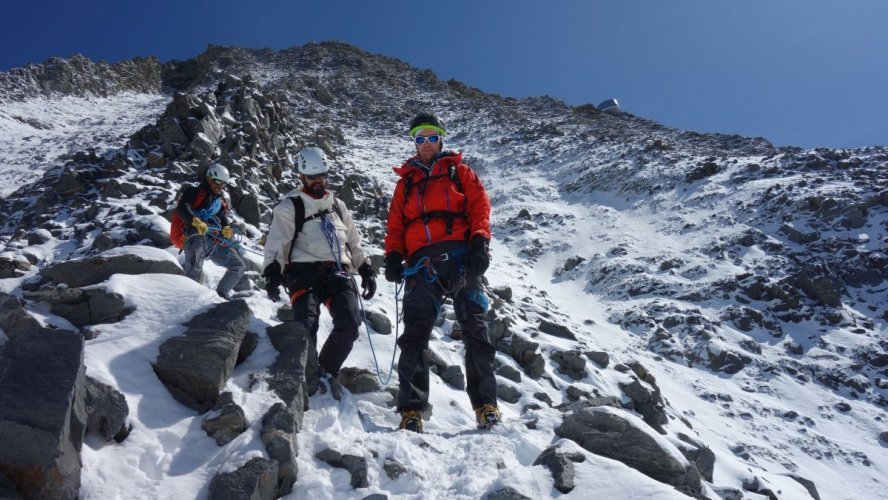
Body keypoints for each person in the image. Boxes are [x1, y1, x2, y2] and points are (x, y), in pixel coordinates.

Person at [383, 113, 500, 433]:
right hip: (421, 267)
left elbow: (479, 208)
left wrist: (479, 242)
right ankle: (411, 410)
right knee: (414, 336)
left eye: (431, 136)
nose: (425, 144)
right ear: (414, 143)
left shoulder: (459, 172)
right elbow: (396, 225)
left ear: (441, 139)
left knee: (475, 329)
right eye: (419, 138)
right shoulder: (404, 184)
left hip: (462, 258)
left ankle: (486, 405)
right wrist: (393, 255)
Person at [262, 147, 377, 380]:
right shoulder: (289, 207)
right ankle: (306, 374)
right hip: (303, 272)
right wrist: (273, 273)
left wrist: (365, 268)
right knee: (306, 325)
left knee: (350, 323)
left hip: (338, 271)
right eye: (313, 176)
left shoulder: (338, 207)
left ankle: (323, 372)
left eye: (322, 175)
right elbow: (277, 242)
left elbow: (353, 242)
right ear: (301, 177)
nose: (318, 181)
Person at [175, 163, 249, 299]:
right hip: (195, 236)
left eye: (223, 185)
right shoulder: (194, 192)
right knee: (194, 273)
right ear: (209, 179)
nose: (220, 187)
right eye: (218, 183)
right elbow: (182, 208)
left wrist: (228, 230)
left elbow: (223, 221)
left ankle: (221, 294)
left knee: (238, 266)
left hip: (213, 240)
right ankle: (188, 301)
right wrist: (195, 221)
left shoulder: (218, 202)